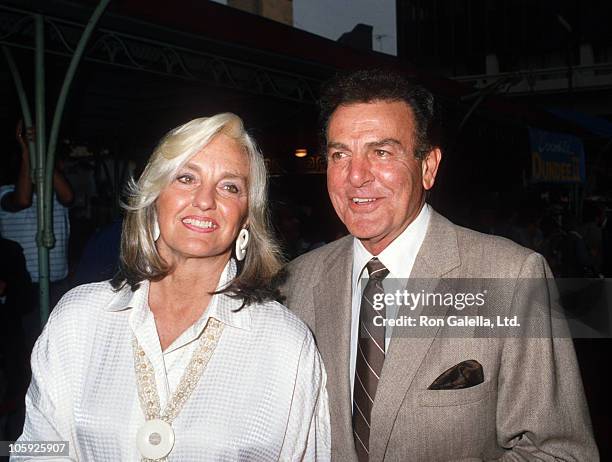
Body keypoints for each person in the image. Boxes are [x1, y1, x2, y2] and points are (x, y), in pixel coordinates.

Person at [281, 69, 598, 461]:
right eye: (339, 154)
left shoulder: (511, 276)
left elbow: (560, 453)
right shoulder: (295, 282)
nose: (355, 176)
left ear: (428, 167)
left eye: (381, 152)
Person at [16, 114, 330, 461]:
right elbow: (36, 449)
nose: (205, 199)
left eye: (230, 187)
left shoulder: (286, 343)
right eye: (186, 177)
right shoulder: (78, 318)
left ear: (245, 217)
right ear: (154, 197)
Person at [0, 120, 73, 287]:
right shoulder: (4, 193)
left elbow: (68, 196)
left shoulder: (54, 192)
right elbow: (22, 201)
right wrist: (28, 152)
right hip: (22, 285)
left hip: (57, 281)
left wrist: (41, 150)